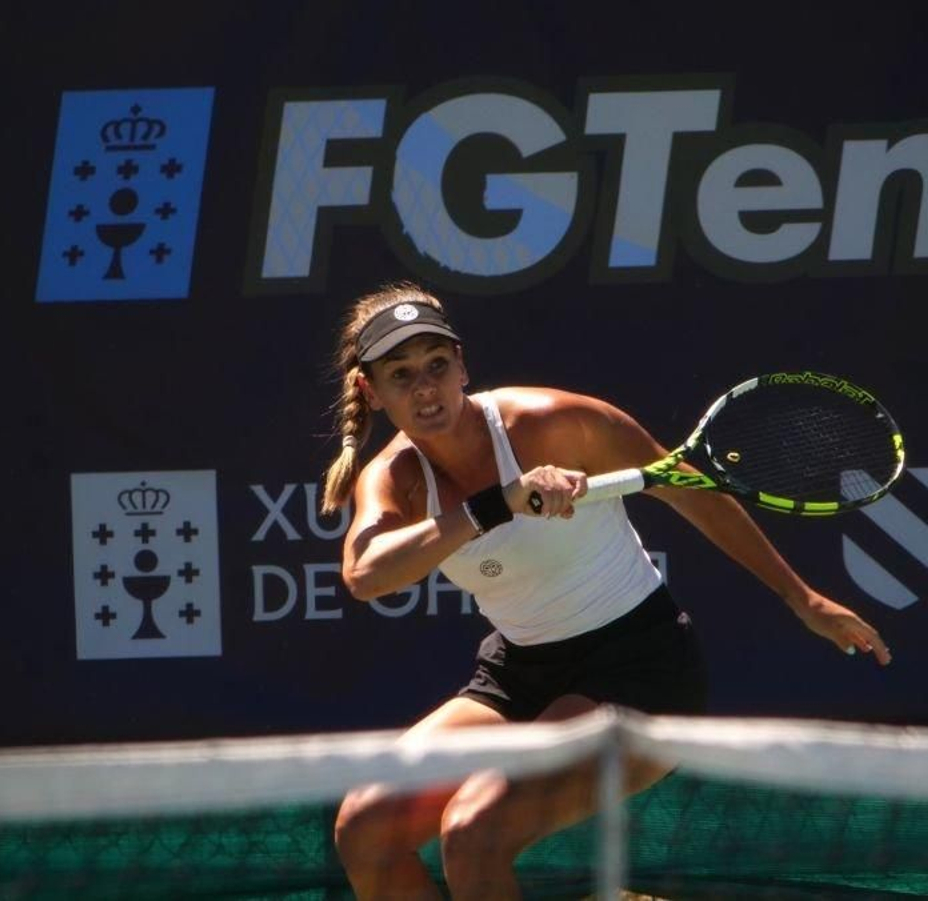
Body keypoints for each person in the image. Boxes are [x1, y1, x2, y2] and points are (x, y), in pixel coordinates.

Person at [320, 282, 890, 900]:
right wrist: (500, 504)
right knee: (364, 827)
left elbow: (691, 491)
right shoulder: (392, 479)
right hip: (520, 670)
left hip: (640, 671)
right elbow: (366, 574)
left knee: (474, 831)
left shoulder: (555, 422)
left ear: (463, 364)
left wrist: (800, 598)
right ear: (370, 392)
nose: (425, 389)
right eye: (401, 375)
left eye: (437, 365)